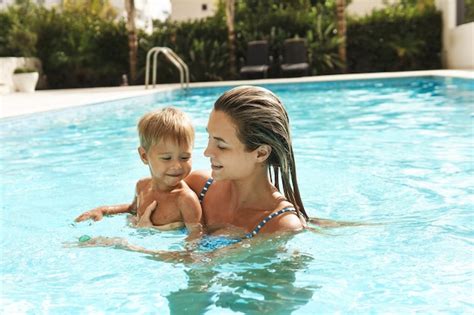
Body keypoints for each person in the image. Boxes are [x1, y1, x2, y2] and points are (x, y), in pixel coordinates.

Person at [74, 107, 203, 239]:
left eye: (185, 157)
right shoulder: (142, 186)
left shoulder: (185, 199)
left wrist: (153, 231)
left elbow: (196, 236)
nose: (177, 166)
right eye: (166, 158)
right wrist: (103, 210)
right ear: (144, 156)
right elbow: (132, 209)